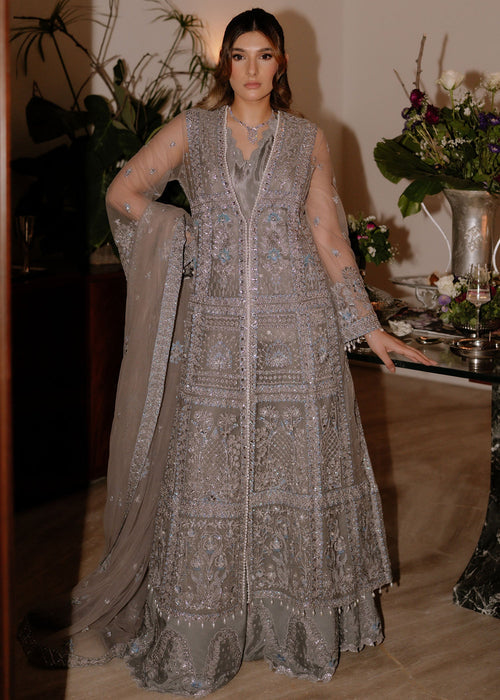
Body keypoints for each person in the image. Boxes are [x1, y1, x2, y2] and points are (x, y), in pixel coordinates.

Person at [19, 7, 435, 695]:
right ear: (225, 66)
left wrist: (367, 326)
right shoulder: (194, 131)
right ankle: (205, 634)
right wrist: (182, 236)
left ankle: (292, 627)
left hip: (298, 333)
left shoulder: (306, 139)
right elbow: (124, 192)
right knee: (211, 477)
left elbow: (327, 234)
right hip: (214, 333)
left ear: (282, 64)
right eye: (239, 56)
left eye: (264, 56)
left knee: (292, 477)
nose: (251, 69)